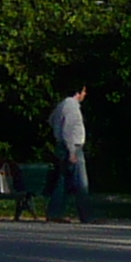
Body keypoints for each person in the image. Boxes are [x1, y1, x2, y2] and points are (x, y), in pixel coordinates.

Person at [46, 84, 94, 223]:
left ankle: (54, 212)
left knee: (64, 181)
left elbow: (51, 120)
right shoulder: (72, 107)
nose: (85, 94)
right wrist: (72, 151)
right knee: (81, 183)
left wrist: (57, 131)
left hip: (62, 146)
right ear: (78, 92)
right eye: (84, 91)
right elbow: (68, 130)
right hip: (73, 147)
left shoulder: (62, 105)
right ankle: (86, 216)